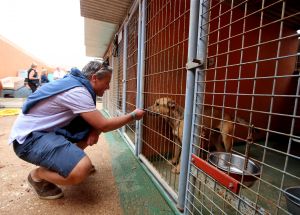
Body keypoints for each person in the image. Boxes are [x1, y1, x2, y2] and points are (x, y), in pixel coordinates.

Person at [9, 60, 145, 200]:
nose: (108, 87)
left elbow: (98, 123)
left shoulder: (76, 83)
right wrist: (133, 115)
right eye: (107, 82)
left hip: (44, 132)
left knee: (93, 124)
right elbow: (104, 125)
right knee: (81, 169)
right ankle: (37, 175)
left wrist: (94, 129)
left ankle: (67, 161)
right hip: (28, 141)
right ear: (94, 78)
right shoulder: (78, 91)